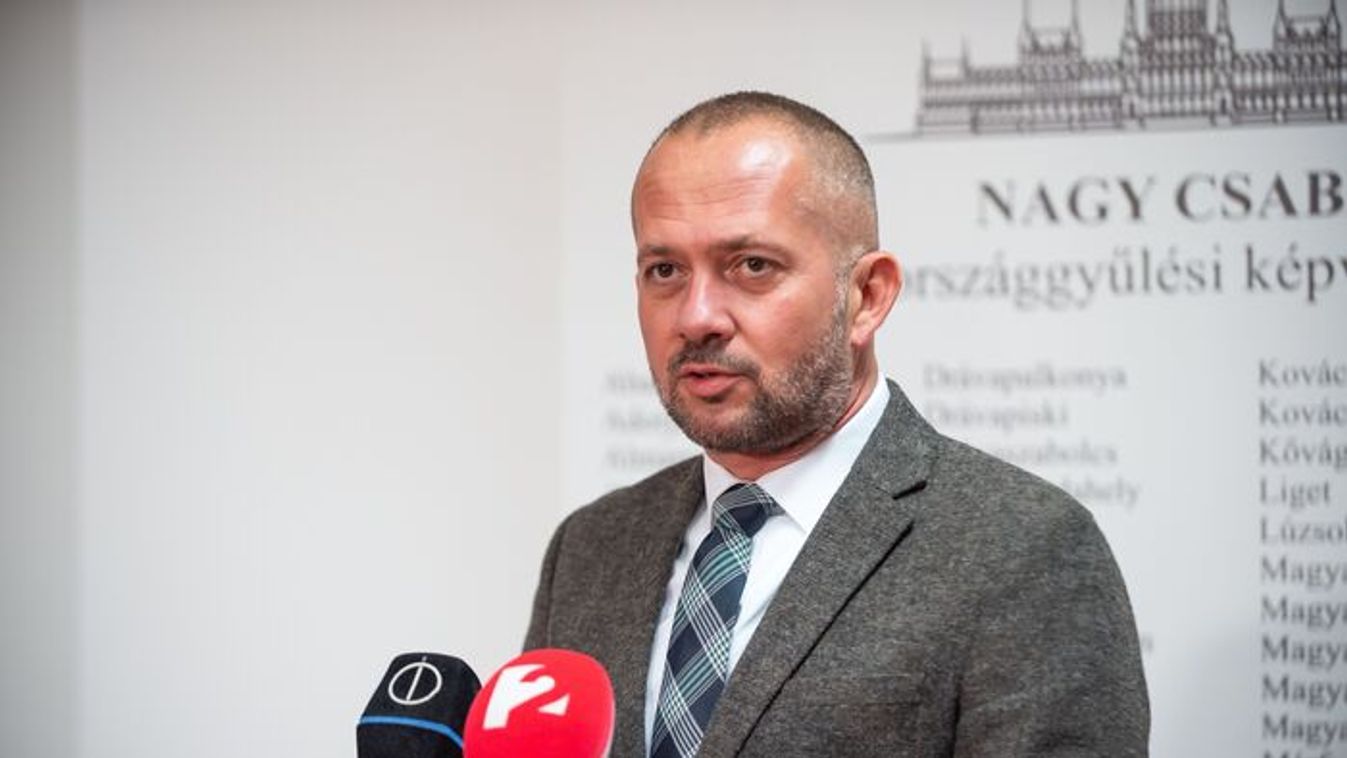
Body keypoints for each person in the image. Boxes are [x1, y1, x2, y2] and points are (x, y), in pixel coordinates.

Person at [524, 91, 1149, 758]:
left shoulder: (1023, 548)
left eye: (752, 266)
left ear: (867, 296)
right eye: (665, 270)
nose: (696, 316)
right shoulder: (591, 547)